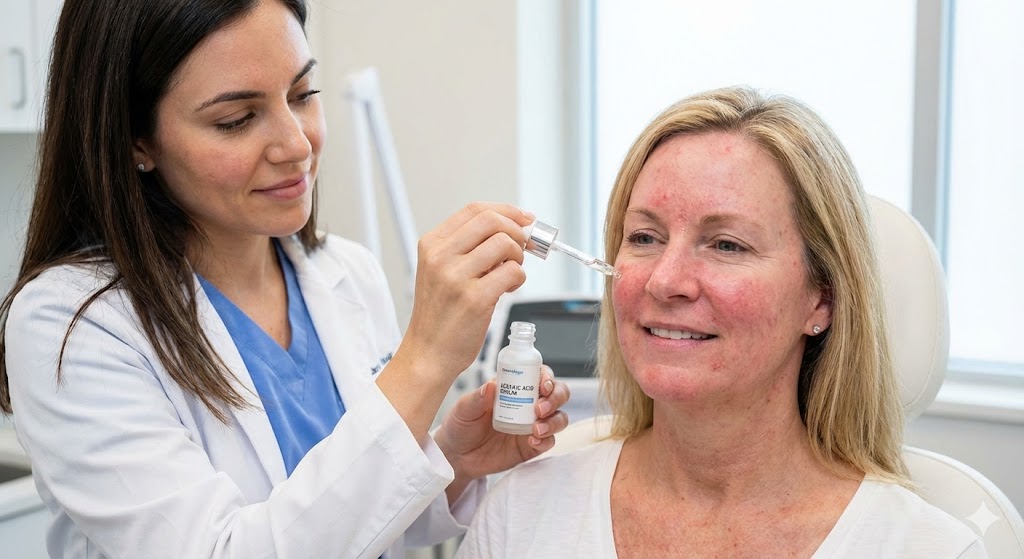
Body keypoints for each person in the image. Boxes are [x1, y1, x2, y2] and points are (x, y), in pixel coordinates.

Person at [0, 1, 571, 557]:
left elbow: (357, 522)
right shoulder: (70, 327)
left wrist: (454, 460)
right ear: (136, 141)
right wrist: (424, 362)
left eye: (302, 95)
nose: (297, 144)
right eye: (236, 120)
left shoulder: (346, 273)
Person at [455, 86, 987, 558]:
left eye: (726, 245)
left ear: (821, 300)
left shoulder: (930, 548)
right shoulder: (522, 514)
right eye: (644, 237)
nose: (665, 280)